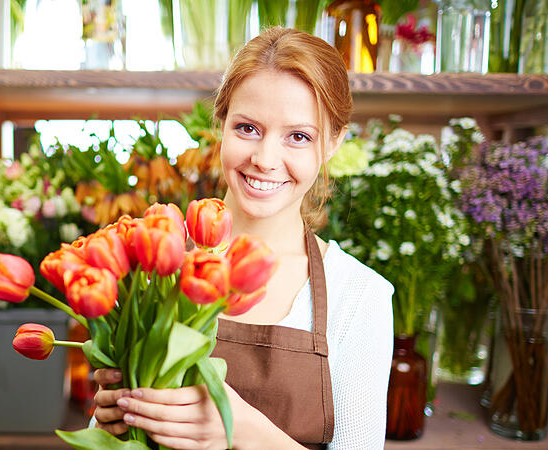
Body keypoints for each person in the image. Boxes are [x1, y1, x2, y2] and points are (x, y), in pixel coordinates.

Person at [93, 27, 394, 449]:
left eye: (299, 136)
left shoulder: (359, 296)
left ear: (332, 143)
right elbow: (106, 433)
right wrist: (111, 417)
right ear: (221, 124)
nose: (265, 159)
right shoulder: (154, 259)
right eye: (248, 128)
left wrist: (239, 429)